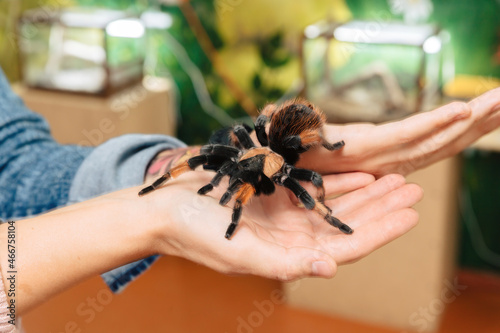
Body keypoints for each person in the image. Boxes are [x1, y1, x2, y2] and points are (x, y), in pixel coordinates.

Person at [0, 64, 499, 319]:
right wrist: (156, 204)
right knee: (216, 159)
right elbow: (227, 157)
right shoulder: (244, 157)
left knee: (253, 167)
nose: (234, 175)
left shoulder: (284, 161)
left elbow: (14, 161)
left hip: (284, 139)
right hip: (263, 151)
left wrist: (168, 166)